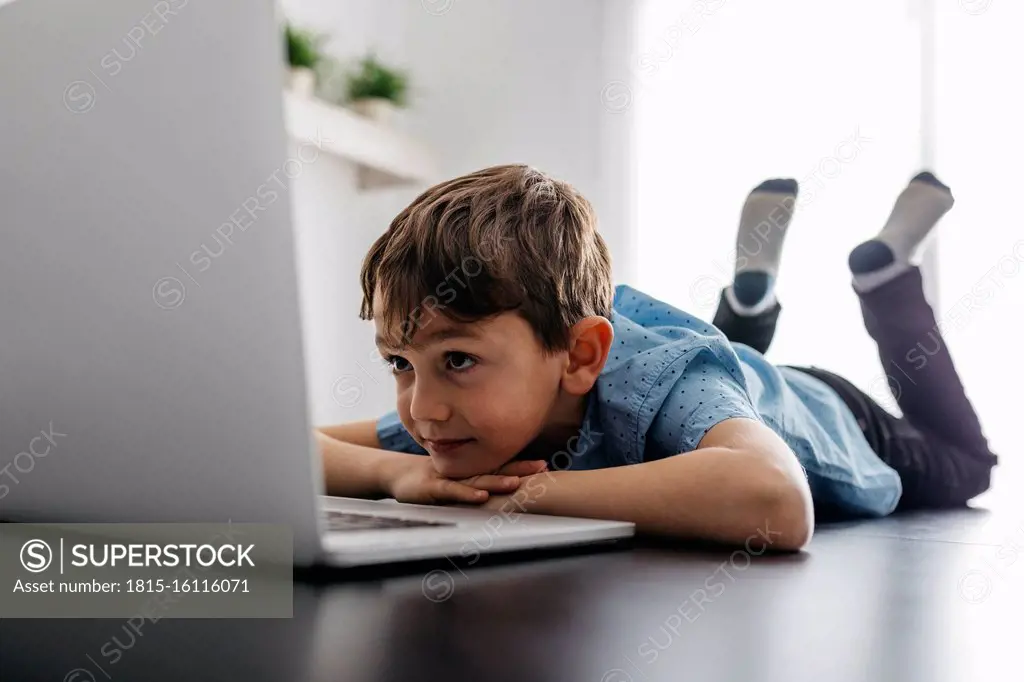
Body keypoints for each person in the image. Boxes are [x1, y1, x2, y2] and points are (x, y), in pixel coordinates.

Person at [315, 165, 998, 551]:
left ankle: (887, 282)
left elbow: (777, 500)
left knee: (968, 465)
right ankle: (748, 307)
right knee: (702, 383)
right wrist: (393, 475)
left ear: (579, 356)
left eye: (457, 360)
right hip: (723, 379)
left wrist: (525, 495)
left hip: (828, 414)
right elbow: (290, 448)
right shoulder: (462, 409)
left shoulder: (658, 383)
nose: (421, 408)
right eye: (399, 363)